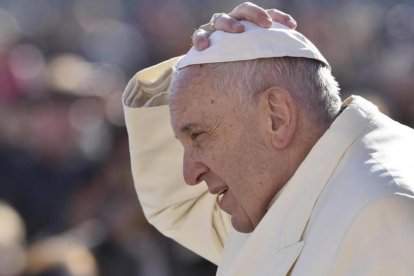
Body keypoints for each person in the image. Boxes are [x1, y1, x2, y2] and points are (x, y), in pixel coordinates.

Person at [122, 3, 414, 275]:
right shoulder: (299, 184)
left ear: (277, 117)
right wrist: (204, 56)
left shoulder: (383, 213)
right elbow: (177, 204)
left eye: (198, 135)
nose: (189, 174)